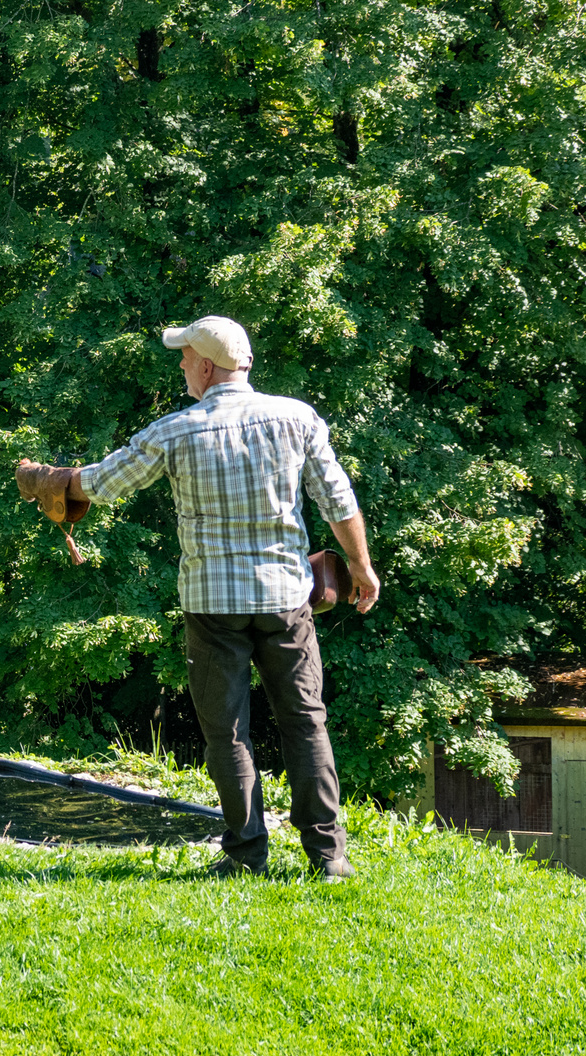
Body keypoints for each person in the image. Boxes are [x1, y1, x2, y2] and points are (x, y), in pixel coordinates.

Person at [19, 316, 380, 880]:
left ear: (207, 366)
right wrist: (360, 565)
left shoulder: (175, 431)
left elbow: (102, 483)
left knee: (226, 731)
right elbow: (337, 498)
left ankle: (245, 856)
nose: (182, 365)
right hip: (287, 598)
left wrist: (48, 479)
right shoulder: (298, 418)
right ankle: (329, 857)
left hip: (211, 604)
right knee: (306, 722)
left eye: (185, 357)